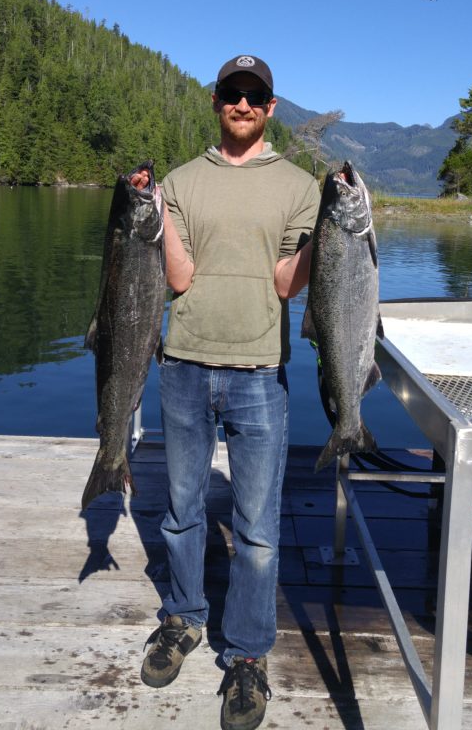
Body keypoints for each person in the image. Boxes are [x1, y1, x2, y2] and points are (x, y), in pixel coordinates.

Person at [136, 55, 320, 730]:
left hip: (258, 377)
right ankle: (182, 620)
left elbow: (286, 283)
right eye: (233, 94)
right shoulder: (182, 181)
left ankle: (246, 657)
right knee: (182, 511)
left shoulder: (300, 187)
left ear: (272, 107)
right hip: (183, 365)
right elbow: (179, 279)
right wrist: (155, 212)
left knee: (258, 531)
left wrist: (328, 232)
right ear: (217, 102)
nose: (243, 104)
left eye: (256, 95)